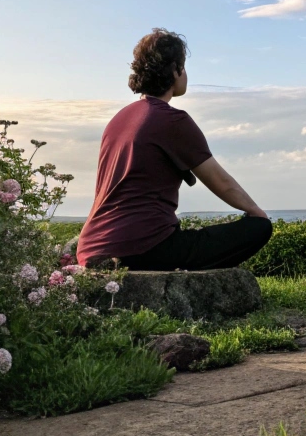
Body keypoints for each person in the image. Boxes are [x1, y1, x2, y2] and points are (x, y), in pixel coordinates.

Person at [76, 28, 272, 270]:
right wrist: (256, 212)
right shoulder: (172, 120)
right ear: (175, 70)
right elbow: (221, 182)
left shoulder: (119, 119)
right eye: (183, 67)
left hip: (91, 248)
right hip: (140, 248)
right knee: (259, 228)